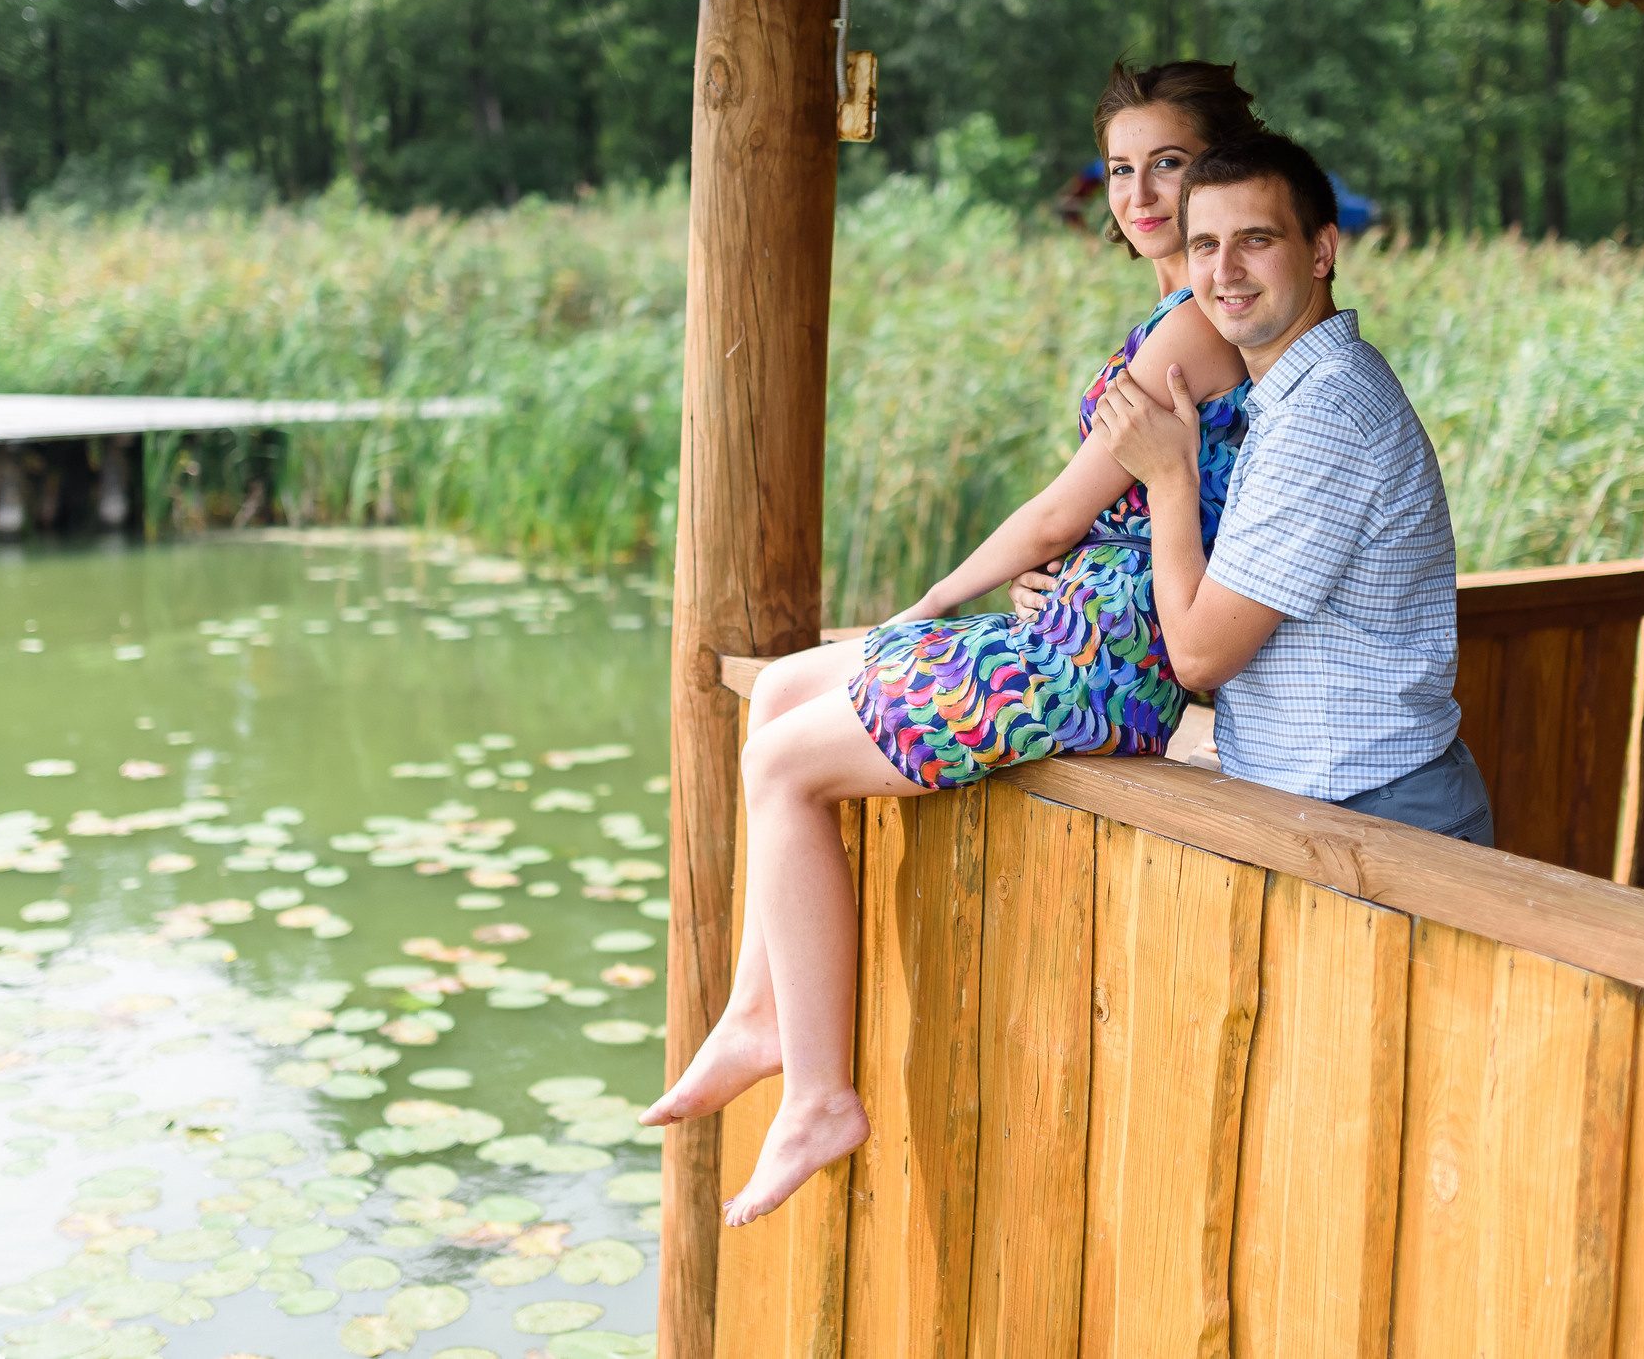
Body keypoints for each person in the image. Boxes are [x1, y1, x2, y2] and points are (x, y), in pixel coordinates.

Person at [638, 62, 1267, 1225]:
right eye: (1121, 167)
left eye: (1167, 164)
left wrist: (923, 605)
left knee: (782, 763)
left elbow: (1053, 513)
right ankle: (757, 1012)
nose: (1137, 191)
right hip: (1075, 628)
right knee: (780, 685)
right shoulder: (1180, 313)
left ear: (1221, 173)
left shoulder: (1189, 328)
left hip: (1095, 672)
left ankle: (819, 1090)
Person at [1092, 131, 1491, 843]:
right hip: (1334, 799)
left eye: (1256, 239)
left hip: (1379, 818)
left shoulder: (1326, 414)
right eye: (1206, 244)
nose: (1225, 270)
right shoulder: (1290, 394)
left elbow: (1201, 655)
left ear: (1321, 251)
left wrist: (1169, 476)